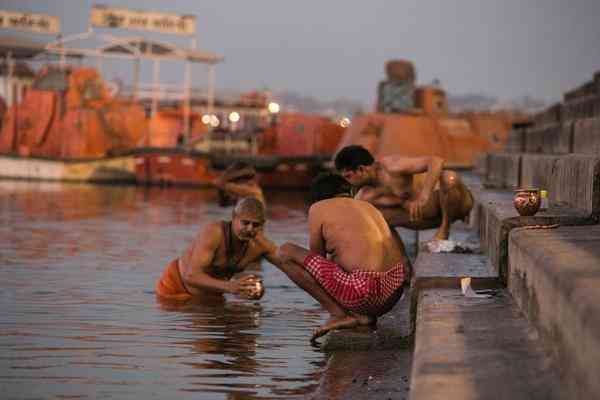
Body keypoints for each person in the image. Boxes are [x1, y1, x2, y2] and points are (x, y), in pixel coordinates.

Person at [276, 173, 411, 343]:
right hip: (393, 293)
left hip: (365, 294)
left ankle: (338, 315)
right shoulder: (369, 207)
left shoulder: (318, 208)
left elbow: (317, 260)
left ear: (319, 197)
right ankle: (362, 317)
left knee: (285, 252)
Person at [334, 145, 473, 241]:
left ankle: (445, 228)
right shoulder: (364, 196)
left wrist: (424, 197)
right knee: (375, 219)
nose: (348, 182)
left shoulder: (391, 166)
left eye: (348, 176)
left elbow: (436, 161)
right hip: (426, 218)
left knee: (449, 178)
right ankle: (402, 262)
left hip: (456, 204)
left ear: (361, 169)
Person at [155, 197, 278, 302]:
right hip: (175, 291)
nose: (250, 229)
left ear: (263, 224)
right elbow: (191, 276)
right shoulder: (214, 232)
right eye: (245, 223)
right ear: (234, 218)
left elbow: (286, 260)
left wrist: (252, 289)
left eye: (256, 225)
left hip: (212, 296)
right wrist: (230, 286)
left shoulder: (261, 245)